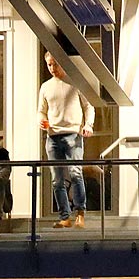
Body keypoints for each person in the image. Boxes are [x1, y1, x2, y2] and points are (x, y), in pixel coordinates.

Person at [39, 53, 94, 229]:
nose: (53, 68)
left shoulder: (75, 82)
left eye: (55, 64)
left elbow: (88, 106)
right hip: (53, 135)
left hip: (73, 133)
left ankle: (80, 213)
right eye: (49, 65)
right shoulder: (46, 87)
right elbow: (41, 110)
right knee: (57, 179)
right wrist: (41, 120)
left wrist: (89, 125)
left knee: (75, 173)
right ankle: (65, 216)